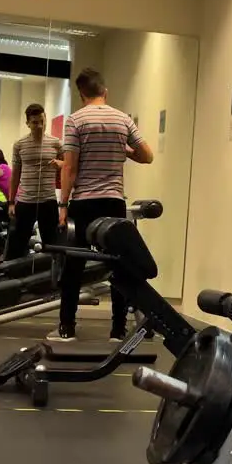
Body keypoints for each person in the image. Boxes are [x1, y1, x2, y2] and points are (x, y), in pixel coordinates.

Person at [53, 69, 154, 342]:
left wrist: (63, 206)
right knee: (118, 265)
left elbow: (70, 168)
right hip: (113, 202)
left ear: (82, 94)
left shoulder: (75, 120)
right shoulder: (122, 119)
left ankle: (67, 327)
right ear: (104, 91)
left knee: (74, 265)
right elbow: (147, 156)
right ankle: (118, 330)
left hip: (84, 202)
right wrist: (125, 149)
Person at [6, 104, 63, 260]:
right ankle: (13, 279)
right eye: (35, 122)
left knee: (52, 245)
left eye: (42, 121)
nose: (39, 126)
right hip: (25, 201)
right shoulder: (19, 144)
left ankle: (50, 280)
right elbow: (15, 174)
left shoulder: (57, 144)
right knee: (17, 244)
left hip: (48, 200)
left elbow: (69, 168)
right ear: (28, 124)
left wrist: (61, 164)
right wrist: (11, 202)